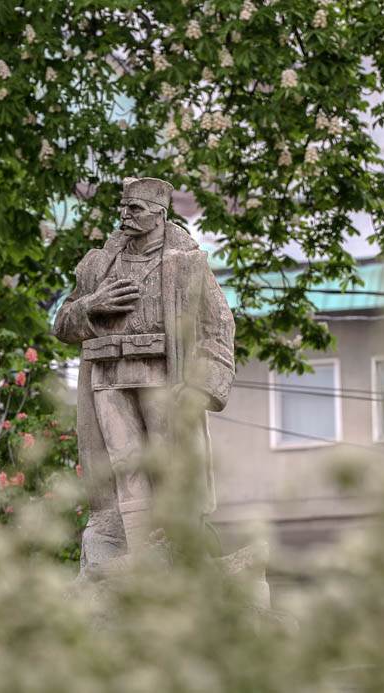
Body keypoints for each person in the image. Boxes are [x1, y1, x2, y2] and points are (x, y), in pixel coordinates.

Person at [53, 177, 235, 567]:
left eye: (134, 208)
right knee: (124, 463)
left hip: (163, 376)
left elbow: (219, 325)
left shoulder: (185, 263)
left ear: (159, 214)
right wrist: (90, 305)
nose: (125, 215)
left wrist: (203, 386)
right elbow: (63, 323)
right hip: (108, 377)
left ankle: (177, 545)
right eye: (123, 207)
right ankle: (136, 553)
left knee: (168, 462)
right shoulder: (99, 264)